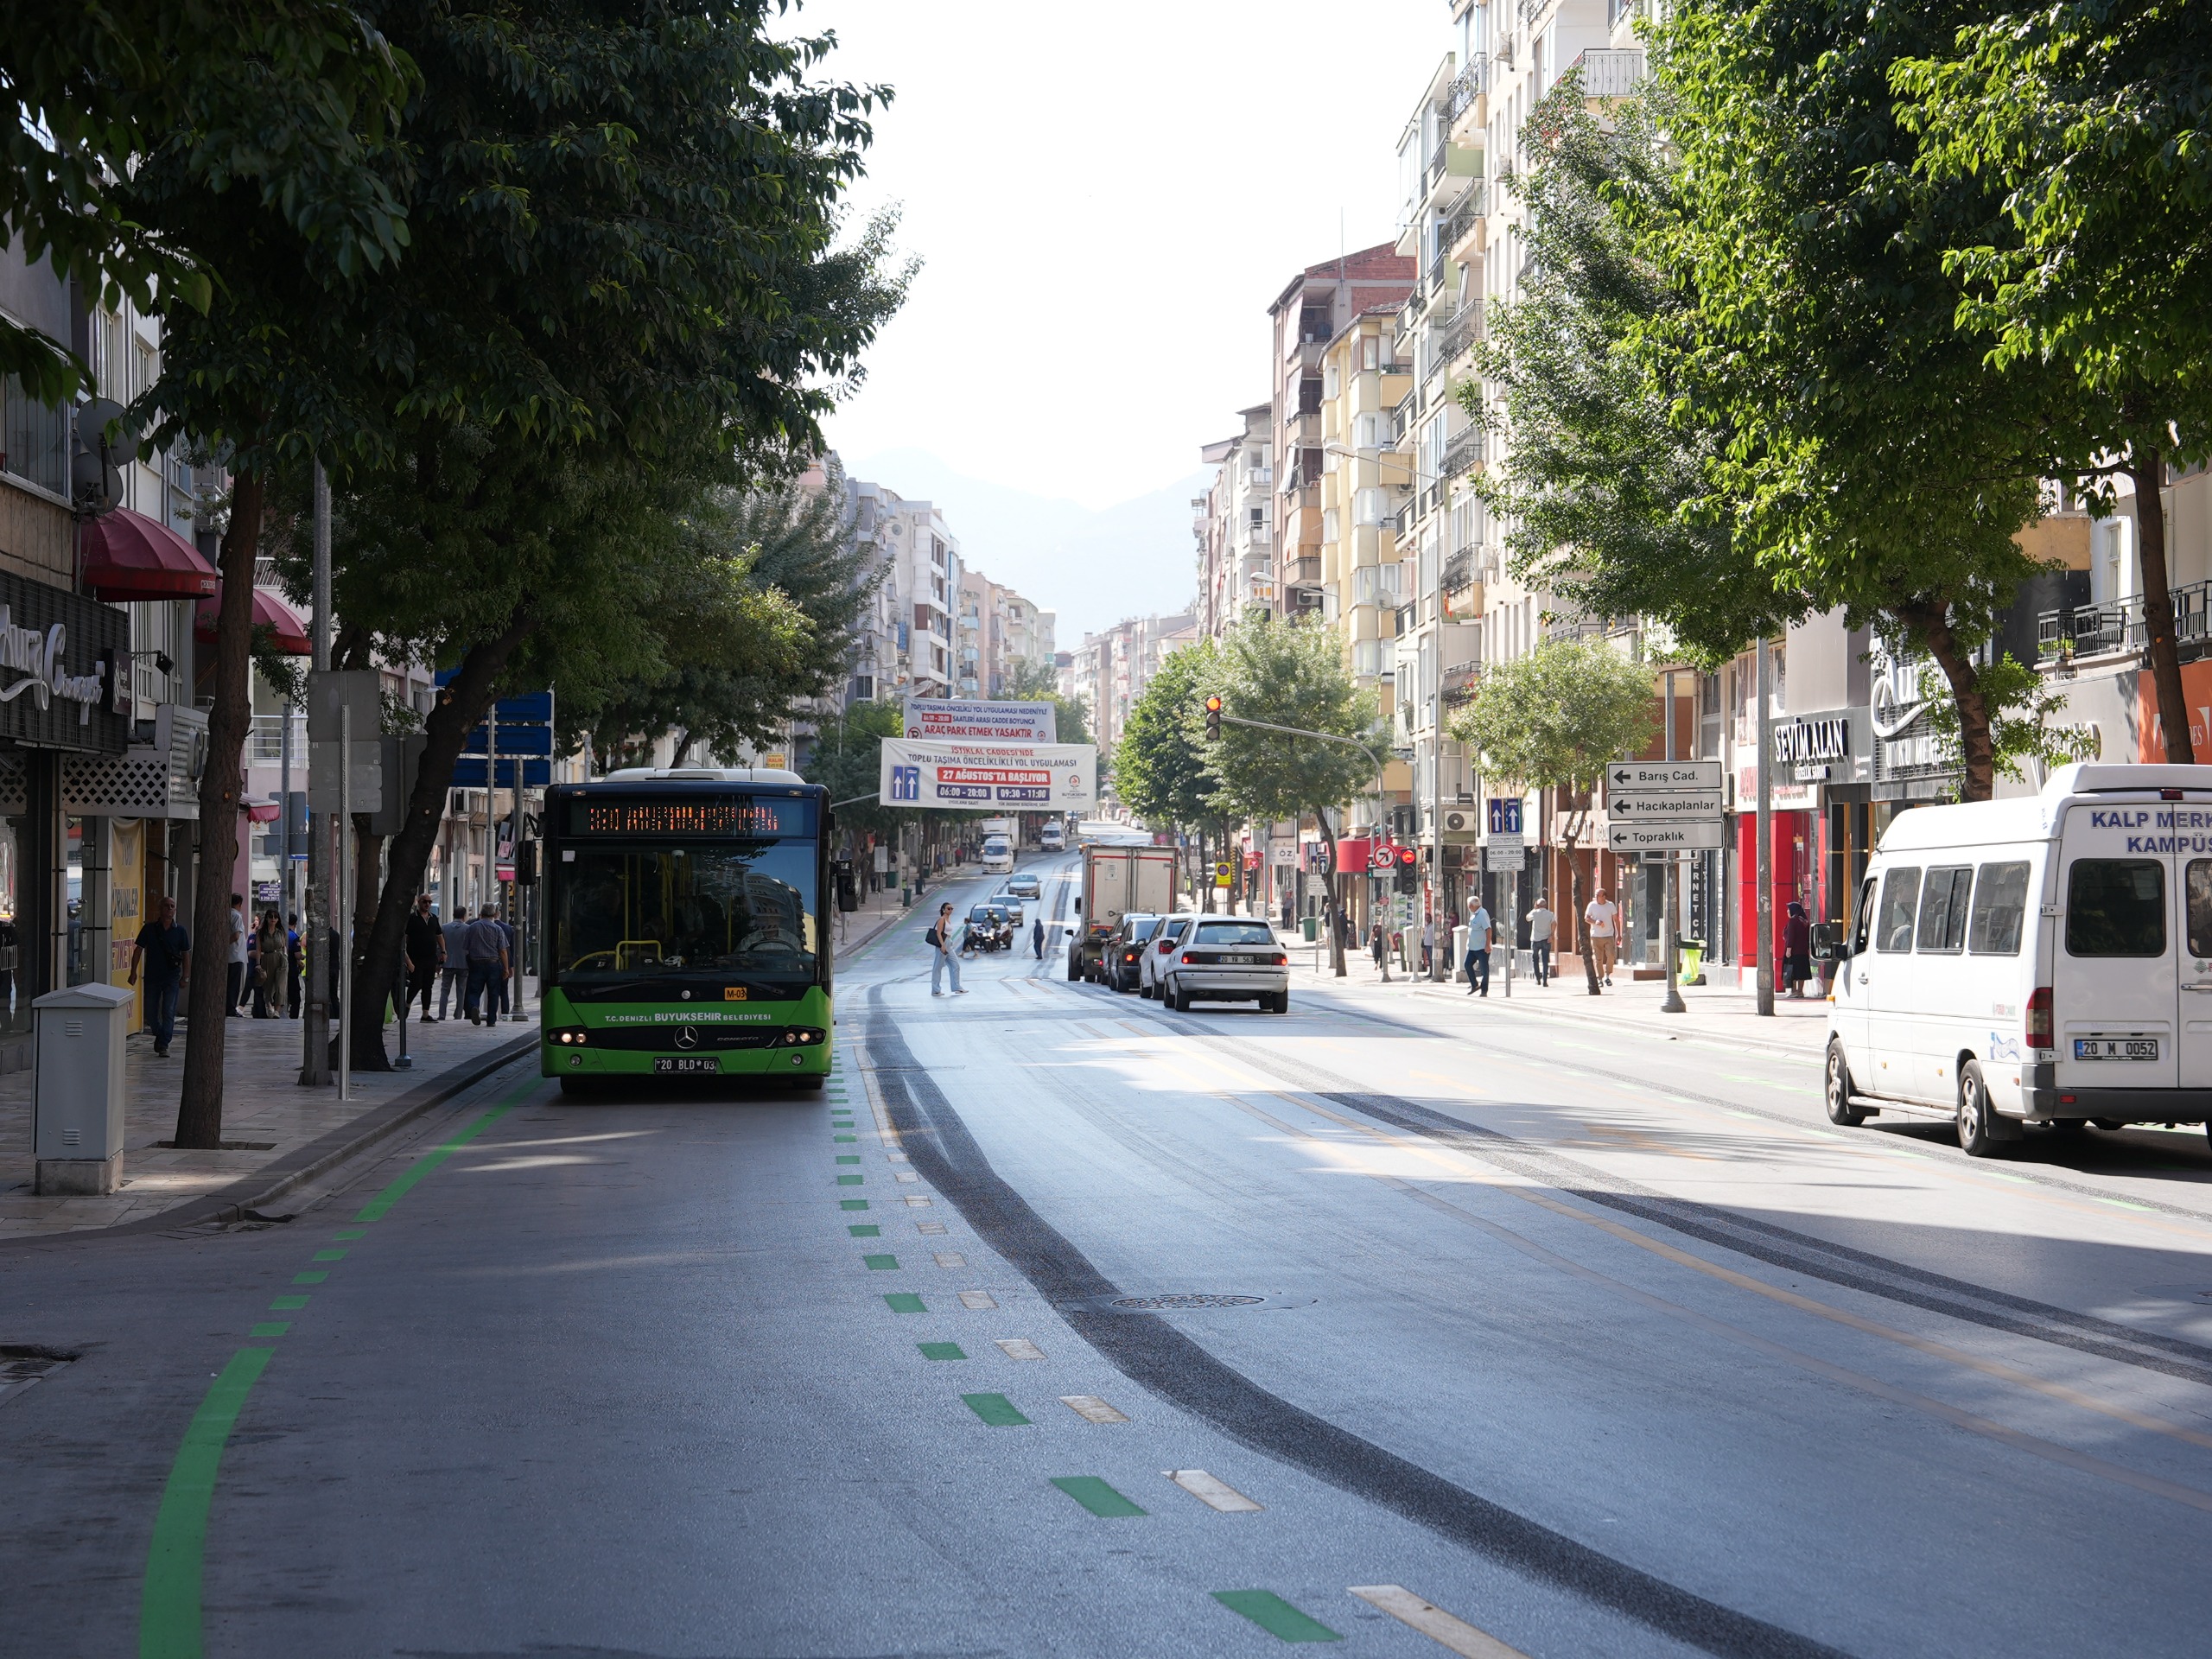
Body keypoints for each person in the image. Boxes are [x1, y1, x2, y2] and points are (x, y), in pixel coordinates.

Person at [129, 895, 191, 1057]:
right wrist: (133, 971)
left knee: (168, 1010)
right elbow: (138, 950)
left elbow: (185, 954)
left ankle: (163, 1044)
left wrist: (185, 976)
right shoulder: (149, 929)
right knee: (150, 1013)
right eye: (166, 906)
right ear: (160, 908)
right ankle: (160, 1035)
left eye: (172, 906)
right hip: (152, 976)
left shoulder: (180, 931)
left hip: (172, 977)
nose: (170, 909)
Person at [462, 903, 508, 1025]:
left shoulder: (472, 927)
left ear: (481, 914)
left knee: (474, 990)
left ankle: (474, 1006)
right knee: (493, 992)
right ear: (494, 914)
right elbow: (503, 950)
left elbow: (466, 947)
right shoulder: (498, 929)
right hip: (493, 963)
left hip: (476, 963)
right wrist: (506, 968)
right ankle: (491, 1020)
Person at [406, 893, 446, 1022]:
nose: (427, 904)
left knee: (428, 985)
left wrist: (443, 951)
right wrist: (407, 959)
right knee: (416, 983)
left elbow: (439, 935)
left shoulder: (434, 918)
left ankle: (425, 1014)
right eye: (425, 902)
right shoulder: (412, 919)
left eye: (429, 902)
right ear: (419, 902)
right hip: (415, 957)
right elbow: (405, 938)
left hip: (430, 957)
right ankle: (407, 1004)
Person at [927, 901, 965, 995]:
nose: (951, 910)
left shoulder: (948, 919)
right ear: (944, 909)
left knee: (955, 965)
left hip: (949, 943)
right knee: (938, 967)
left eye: (952, 908)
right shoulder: (942, 919)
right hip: (943, 943)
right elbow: (938, 933)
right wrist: (942, 945)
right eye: (948, 908)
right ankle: (935, 990)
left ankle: (957, 987)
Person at [1585, 887, 1620, 987]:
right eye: (1595, 895)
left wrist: (1619, 934)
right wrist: (1595, 922)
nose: (1596, 897)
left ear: (1604, 897)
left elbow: (1616, 920)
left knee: (1611, 955)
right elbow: (1586, 918)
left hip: (1608, 935)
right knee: (1598, 958)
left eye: (1598, 895)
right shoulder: (1592, 905)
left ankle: (1608, 976)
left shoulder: (1610, 905)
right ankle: (1600, 978)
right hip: (1596, 936)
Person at [252, 911, 285, 1017]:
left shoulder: (280, 931)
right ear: (266, 918)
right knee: (269, 985)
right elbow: (258, 949)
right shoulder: (261, 933)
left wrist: (286, 956)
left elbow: (284, 946)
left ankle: (277, 1010)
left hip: (281, 958)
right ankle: (268, 1004)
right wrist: (258, 964)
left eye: (276, 917)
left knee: (281, 985)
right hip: (267, 957)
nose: (273, 919)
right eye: (271, 917)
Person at [1783, 899, 1813, 999]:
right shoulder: (1804, 921)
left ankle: (1794, 991)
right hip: (1803, 951)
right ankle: (1800, 991)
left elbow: (1791, 936)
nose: (1787, 911)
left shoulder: (1793, 920)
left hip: (1794, 951)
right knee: (1801, 972)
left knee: (1793, 971)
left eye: (1788, 909)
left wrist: (1788, 949)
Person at [1464, 899, 1492, 995]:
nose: (1468, 907)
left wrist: (1488, 945)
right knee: (1467, 964)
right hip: (1472, 948)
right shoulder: (1474, 915)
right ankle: (1475, 985)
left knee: (1484, 970)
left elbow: (1488, 929)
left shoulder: (1482, 914)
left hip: (1482, 948)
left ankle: (1484, 991)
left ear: (1473, 905)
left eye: (1469, 905)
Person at [226, 892, 248, 1015]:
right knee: (234, 984)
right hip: (236, 955)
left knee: (228, 983)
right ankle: (231, 1008)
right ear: (239, 904)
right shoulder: (237, 916)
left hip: (229, 955)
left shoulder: (226, 913)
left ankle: (228, 1007)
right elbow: (236, 935)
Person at [1526, 897, 1556, 988]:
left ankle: (1537, 979)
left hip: (1535, 940)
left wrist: (1534, 908)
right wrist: (1551, 935)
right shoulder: (1550, 914)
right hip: (1546, 940)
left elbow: (1527, 918)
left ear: (1537, 905)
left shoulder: (1534, 913)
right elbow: (1554, 923)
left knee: (1535, 959)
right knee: (1545, 960)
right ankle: (1545, 981)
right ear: (1546, 905)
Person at [285, 911, 302, 1017]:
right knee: (295, 999)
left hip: (280, 969)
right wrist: (303, 957)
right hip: (291, 970)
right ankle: (293, 1018)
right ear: (295, 924)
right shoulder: (294, 936)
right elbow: (297, 955)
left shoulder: (281, 933)